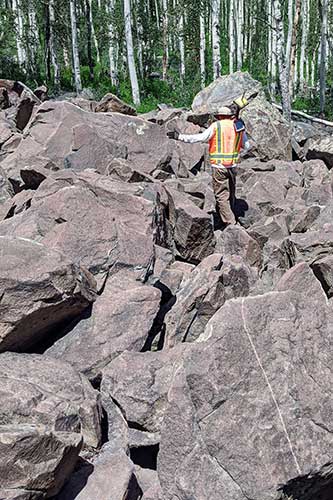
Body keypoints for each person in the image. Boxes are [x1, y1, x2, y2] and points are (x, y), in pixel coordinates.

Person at [167, 105, 250, 226]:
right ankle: (229, 216)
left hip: (219, 166)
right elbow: (247, 146)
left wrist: (179, 137)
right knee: (231, 193)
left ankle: (231, 224)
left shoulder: (217, 126)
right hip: (232, 166)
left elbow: (200, 138)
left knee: (221, 195)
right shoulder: (237, 126)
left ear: (220, 116)